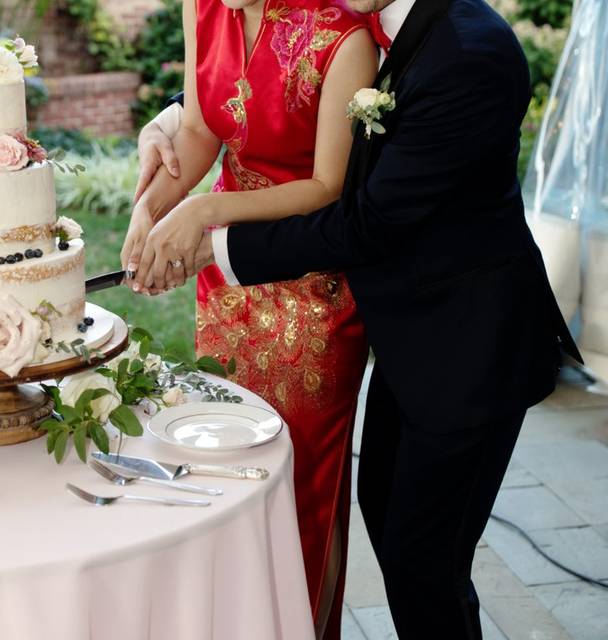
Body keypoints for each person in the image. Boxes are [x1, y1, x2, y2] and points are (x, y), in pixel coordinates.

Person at [130, 0, 581, 638]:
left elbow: (367, 222)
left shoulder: (470, 54)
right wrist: (174, 114)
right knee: (390, 516)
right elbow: (269, 83)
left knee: (424, 558)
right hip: (412, 339)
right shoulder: (387, 21)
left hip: (469, 346)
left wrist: (212, 229)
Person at [120, 0, 377, 637]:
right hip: (227, 281)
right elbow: (203, 131)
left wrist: (207, 212)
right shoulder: (200, 8)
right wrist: (148, 209)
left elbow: (327, 187)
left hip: (311, 293)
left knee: (302, 483)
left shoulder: (343, 39)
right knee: (220, 467)